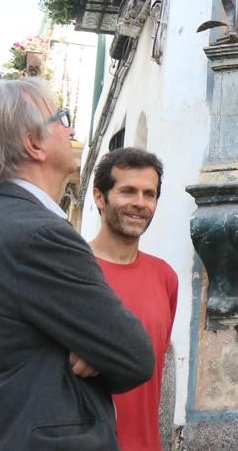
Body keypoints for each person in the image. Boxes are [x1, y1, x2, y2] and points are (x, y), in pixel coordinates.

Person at [0, 77, 154, 449]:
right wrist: (98, 348)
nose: (70, 129)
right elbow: (133, 354)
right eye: (61, 118)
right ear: (33, 144)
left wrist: (94, 346)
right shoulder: (35, 234)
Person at [89, 147, 179, 451]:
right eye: (128, 191)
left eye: (149, 194)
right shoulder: (72, 270)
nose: (140, 204)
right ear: (100, 198)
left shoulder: (165, 278)